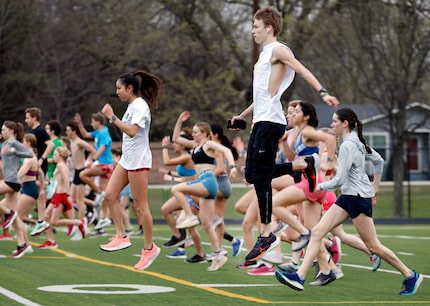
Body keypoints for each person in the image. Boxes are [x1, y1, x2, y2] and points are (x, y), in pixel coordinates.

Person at [229, 6, 339, 263]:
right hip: (260, 121)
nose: (252, 31)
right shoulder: (264, 56)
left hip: (270, 123)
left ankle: (266, 232)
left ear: (269, 27)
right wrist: (242, 116)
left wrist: (323, 92)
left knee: (262, 177)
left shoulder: (279, 50)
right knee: (252, 175)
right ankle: (303, 164)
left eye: (256, 27)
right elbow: (263, 95)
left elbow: (302, 69)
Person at [276, 108, 423, 296]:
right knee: (317, 233)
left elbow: (340, 179)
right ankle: (299, 276)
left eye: (334, 121)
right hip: (348, 197)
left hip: (357, 199)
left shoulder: (348, 146)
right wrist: (374, 188)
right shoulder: (357, 142)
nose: (331, 125)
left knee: (373, 246)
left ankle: (410, 275)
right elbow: (379, 161)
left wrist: (318, 187)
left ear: (345, 123)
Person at [99, 70, 162, 271]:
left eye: (119, 88)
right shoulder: (131, 107)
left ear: (130, 88)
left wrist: (111, 117)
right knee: (109, 196)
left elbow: (133, 132)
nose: (117, 92)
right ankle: (121, 236)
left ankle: (149, 248)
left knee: (140, 206)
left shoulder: (140, 106)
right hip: (127, 160)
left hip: (139, 162)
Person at [171, 111, 237, 271]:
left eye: (195, 132)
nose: (192, 134)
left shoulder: (208, 144)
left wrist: (233, 166)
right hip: (206, 183)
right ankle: (218, 254)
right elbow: (176, 139)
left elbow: (227, 151)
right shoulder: (195, 146)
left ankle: (189, 217)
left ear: (204, 134)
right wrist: (179, 120)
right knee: (207, 224)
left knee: (177, 189)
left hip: (208, 180)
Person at [38, 147, 86, 247]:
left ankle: (79, 222)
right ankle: (51, 241)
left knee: (54, 221)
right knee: (46, 216)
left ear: (60, 156)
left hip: (61, 195)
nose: (53, 156)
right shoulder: (62, 165)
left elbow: (65, 178)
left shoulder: (60, 166)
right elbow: (60, 180)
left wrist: (67, 194)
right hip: (58, 194)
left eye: (55, 154)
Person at [0, 121, 35, 258]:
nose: (1, 131)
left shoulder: (14, 143)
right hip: (9, 181)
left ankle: (8, 213)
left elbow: (29, 155)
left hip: (12, 181)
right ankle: (23, 245)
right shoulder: (4, 145)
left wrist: (15, 151)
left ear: (10, 131)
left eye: (3, 130)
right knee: (16, 218)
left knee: (11, 214)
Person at [74, 112, 114, 208]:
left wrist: (92, 160)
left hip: (105, 164)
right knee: (106, 193)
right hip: (104, 164)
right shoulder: (98, 132)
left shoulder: (103, 133)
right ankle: (104, 217)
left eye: (92, 122)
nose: (91, 124)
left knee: (83, 175)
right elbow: (85, 134)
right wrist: (79, 123)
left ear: (98, 122)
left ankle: (99, 193)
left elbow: (102, 148)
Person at [25, 107, 51, 236]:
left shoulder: (40, 131)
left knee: (40, 190)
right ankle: (38, 219)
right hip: (34, 164)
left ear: (34, 118)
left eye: (28, 117)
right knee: (37, 190)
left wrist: (42, 159)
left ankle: (41, 220)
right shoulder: (32, 131)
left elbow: (50, 145)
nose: (26, 120)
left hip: (40, 165)